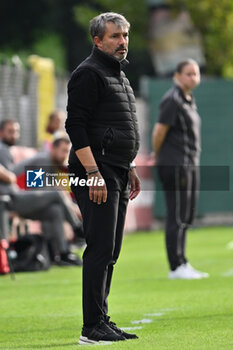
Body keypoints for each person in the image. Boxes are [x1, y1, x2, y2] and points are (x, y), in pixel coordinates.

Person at [65, 12, 140, 344]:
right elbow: (75, 127)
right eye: (115, 36)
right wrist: (93, 173)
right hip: (96, 171)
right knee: (99, 248)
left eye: (125, 35)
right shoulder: (88, 74)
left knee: (111, 250)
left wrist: (131, 165)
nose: (122, 42)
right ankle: (91, 327)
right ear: (97, 40)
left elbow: (117, 126)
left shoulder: (119, 75)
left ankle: (101, 320)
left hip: (118, 170)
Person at [152, 59, 209, 280]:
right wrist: (159, 156)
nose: (193, 78)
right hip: (175, 164)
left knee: (186, 215)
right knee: (176, 215)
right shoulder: (172, 100)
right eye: (188, 74)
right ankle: (175, 266)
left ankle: (183, 262)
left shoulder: (189, 99)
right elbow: (159, 132)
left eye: (196, 74)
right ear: (177, 75)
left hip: (190, 163)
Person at [0, 119, 82, 266]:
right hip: (14, 199)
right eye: (63, 151)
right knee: (56, 194)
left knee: (55, 210)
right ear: (53, 149)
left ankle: (63, 254)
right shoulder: (43, 160)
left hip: (20, 198)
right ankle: (78, 229)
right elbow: (33, 187)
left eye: (67, 152)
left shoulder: (51, 164)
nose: (65, 155)